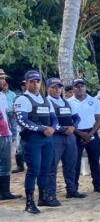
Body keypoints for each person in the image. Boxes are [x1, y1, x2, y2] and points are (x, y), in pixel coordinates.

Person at [14, 70, 57, 213]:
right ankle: (29, 202)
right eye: (31, 82)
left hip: (47, 139)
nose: (35, 84)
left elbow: (54, 118)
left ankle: (43, 197)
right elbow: (22, 120)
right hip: (33, 139)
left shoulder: (46, 100)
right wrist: (42, 128)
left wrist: (52, 128)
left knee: (45, 169)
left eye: (37, 81)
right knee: (34, 170)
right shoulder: (22, 99)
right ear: (26, 83)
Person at [46, 78, 84, 200]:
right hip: (55, 137)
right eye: (54, 87)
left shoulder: (66, 102)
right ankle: (50, 194)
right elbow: (49, 122)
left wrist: (73, 127)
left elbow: (77, 118)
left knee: (71, 165)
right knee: (52, 166)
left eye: (59, 87)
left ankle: (71, 190)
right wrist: (63, 129)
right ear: (47, 88)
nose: (57, 90)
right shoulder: (46, 102)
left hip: (70, 136)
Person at [69, 78, 100, 194]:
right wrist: (80, 133)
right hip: (75, 134)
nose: (80, 88)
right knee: (75, 162)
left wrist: (90, 134)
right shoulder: (68, 102)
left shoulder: (94, 101)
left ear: (85, 87)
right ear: (73, 88)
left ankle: (98, 185)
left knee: (94, 161)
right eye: (77, 86)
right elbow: (67, 121)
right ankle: (73, 188)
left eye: (82, 86)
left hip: (92, 132)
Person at [0, 70, 19, 200]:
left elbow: (7, 113)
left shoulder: (3, 96)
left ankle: (4, 192)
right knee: (4, 164)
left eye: (3, 78)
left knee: (5, 164)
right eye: (1, 78)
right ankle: (4, 193)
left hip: (5, 132)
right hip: (2, 133)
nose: (3, 81)